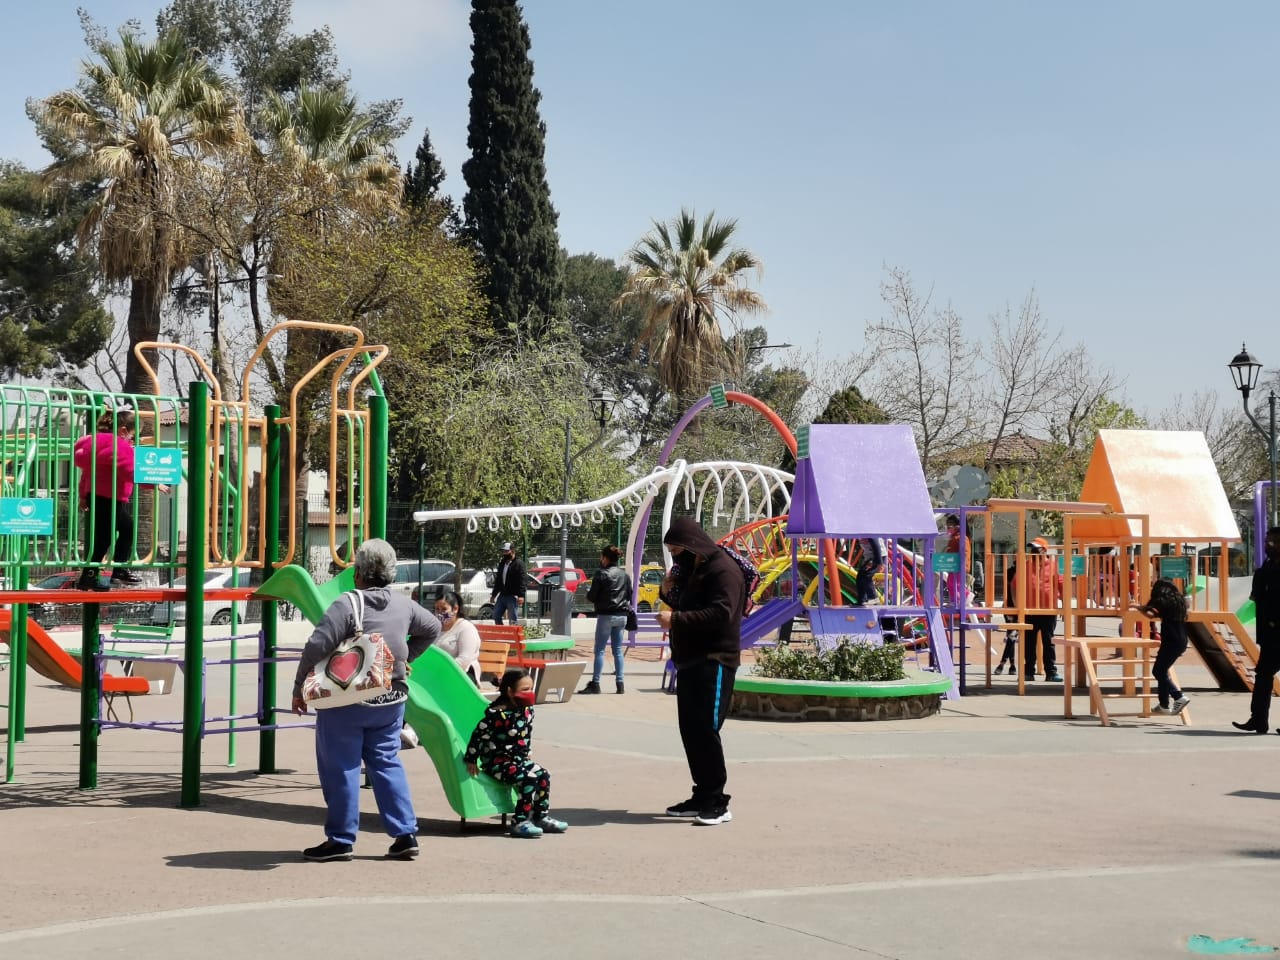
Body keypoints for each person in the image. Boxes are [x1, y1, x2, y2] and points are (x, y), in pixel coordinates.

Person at [291, 539, 441, 862]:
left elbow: (316, 646)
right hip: (391, 697)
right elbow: (433, 627)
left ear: (358, 572)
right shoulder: (404, 605)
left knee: (341, 765)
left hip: (350, 699)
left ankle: (341, 839)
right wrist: (400, 661)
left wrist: (298, 686)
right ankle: (405, 834)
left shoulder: (348, 604)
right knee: (386, 761)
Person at [655, 517, 747, 826]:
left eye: (677, 549)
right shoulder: (697, 568)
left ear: (691, 544)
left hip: (715, 660)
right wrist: (667, 592)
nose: (676, 556)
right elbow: (686, 603)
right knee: (691, 730)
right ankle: (702, 795)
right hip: (690, 660)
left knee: (706, 730)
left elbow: (721, 613)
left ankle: (718, 801)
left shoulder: (723, 571)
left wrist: (676, 620)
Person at [464, 668, 568, 838]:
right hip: (498, 763)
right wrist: (471, 759)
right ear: (510, 691)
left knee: (543, 775)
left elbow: (526, 733)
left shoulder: (527, 710)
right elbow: (478, 735)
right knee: (529, 778)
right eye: (524, 690)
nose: (529, 693)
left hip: (518, 759)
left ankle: (540, 817)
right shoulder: (498, 714)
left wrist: (526, 751)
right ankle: (520, 822)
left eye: (531, 688)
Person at [73, 409, 157, 590]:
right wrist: (153, 482)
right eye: (132, 437)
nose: (132, 441)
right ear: (123, 431)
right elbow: (128, 471)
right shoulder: (119, 445)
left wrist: (82, 496)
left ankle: (89, 576)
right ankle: (119, 570)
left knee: (103, 538)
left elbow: (86, 475)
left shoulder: (98, 446)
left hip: (95, 496)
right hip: (109, 497)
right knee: (127, 529)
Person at [1233, 526, 1280, 735]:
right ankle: (1258, 720)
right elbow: (1256, 597)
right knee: (1262, 677)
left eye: (1272, 542)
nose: (1268, 546)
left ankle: (1258, 719)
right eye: (1267, 541)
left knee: (1264, 675)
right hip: (1269, 635)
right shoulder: (1266, 569)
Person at [1132, 578, 1191, 715]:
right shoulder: (1179, 601)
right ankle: (1164, 704)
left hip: (1171, 640)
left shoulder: (1161, 601)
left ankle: (1178, 696)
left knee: (1158, 671)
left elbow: (1150, 614)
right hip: (1181, 640)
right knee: (1162, 671)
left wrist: (1137, 607)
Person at [582, 544, 634, 694]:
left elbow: (592, 596)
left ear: (605, 558)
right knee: (618, 650)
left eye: (601, 557)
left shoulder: (601, 574)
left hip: (606, 615)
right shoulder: (625, 575)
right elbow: (629, 595)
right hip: (622, 616)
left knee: (599, 651)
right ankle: (620, 683)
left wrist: (590, 593)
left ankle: (595, 683)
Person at [1021, 538, 1062, 682]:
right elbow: (1014, 585)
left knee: (1049, 641)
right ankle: (1028, 672)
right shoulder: (1025, 566)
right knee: (1029, 642)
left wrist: (1063, 606)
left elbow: (1061, 584)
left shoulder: (1053, 566)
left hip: (1048, 610)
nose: (1033, 552)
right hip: (1029, 610)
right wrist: (1014, 604)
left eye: (1036, 549)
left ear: (1044, 550)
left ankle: (1051, 672)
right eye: (1031, 549)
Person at [433, 591, 482, 685]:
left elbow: (464, 660)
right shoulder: (435, 628)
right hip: (436, 674)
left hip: (461, 676)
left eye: (444, 609)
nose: (439, 613)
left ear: (455, 609)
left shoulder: (466, 628)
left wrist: (441, 672)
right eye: (437, 609)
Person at [489, 541, 525, 625]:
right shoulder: (502, 563)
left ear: (512, 551)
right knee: (496, 615)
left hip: (512, 596)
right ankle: (502, 633)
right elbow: (498, 581)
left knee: (512, 619)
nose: (504, 553)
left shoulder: (519, 564)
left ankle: (513, 636)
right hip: (502, 596)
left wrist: (521, 595)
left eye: (506, 551)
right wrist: (494, 595)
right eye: (503, 551)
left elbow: (522, 580)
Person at [854, 536, 882, 605]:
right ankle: (862, 600)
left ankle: (874, 599)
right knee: (860, 577)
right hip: (870, 558)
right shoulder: (858, 533)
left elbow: (876, 545)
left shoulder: (868, 532)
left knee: (867, 576)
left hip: (877, 557)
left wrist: (879, 562)